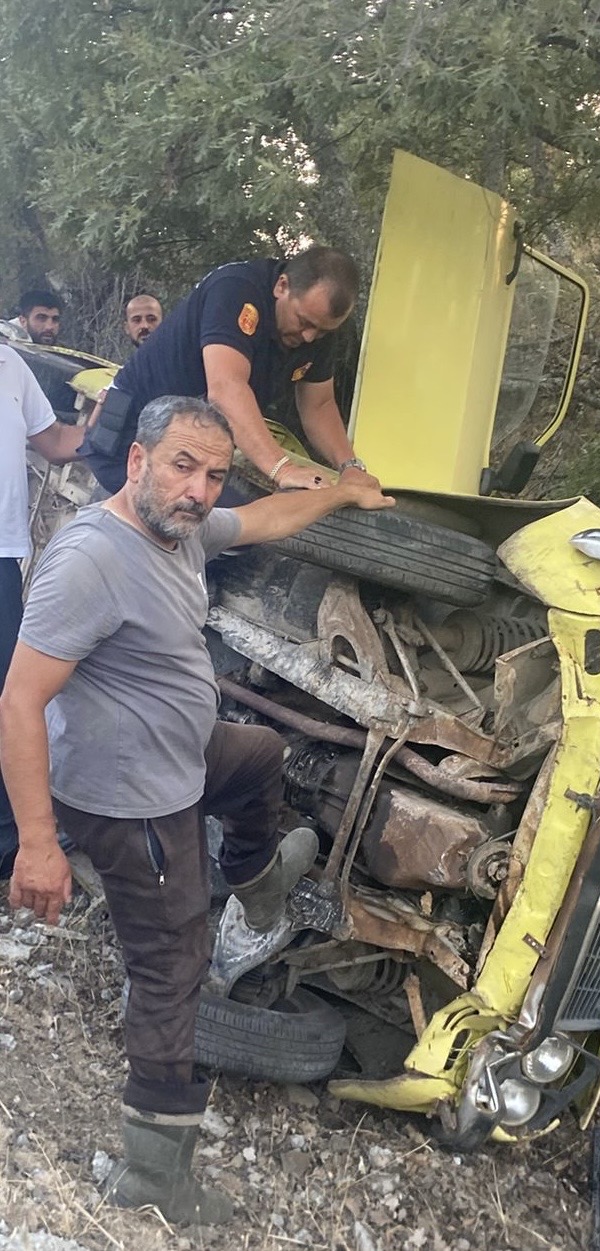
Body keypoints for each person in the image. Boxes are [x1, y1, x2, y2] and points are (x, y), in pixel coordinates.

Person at [0, 394, 394, 1224]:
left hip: (182, 756)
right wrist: (37, 843)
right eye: (182, 465)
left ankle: (253, 883)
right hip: (131, 797)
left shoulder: (181, 529)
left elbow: (268, 518)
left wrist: (343, 489)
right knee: (173, 964)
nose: (200, 488)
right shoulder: (92, 560)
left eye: (213, 473)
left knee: (259, 755)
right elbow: (18, 701)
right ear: (137, 462)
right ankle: (153, 1176)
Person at [80, 247, 376, 496]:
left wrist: (350, 467)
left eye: (322, 331)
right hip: (129, 444)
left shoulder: (318, 326)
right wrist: (282, 469)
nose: (310, 337)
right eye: (304, 321)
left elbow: (319, 405)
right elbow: (225, 390)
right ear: (281, 286)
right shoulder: (235, 290)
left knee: (234, 540)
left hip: (188, 457)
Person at [0, 344, 84, 878]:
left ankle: (9, 840)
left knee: (5, 692)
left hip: (1, 554)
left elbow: (53, 441)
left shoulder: (9, 363)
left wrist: (112, 425)